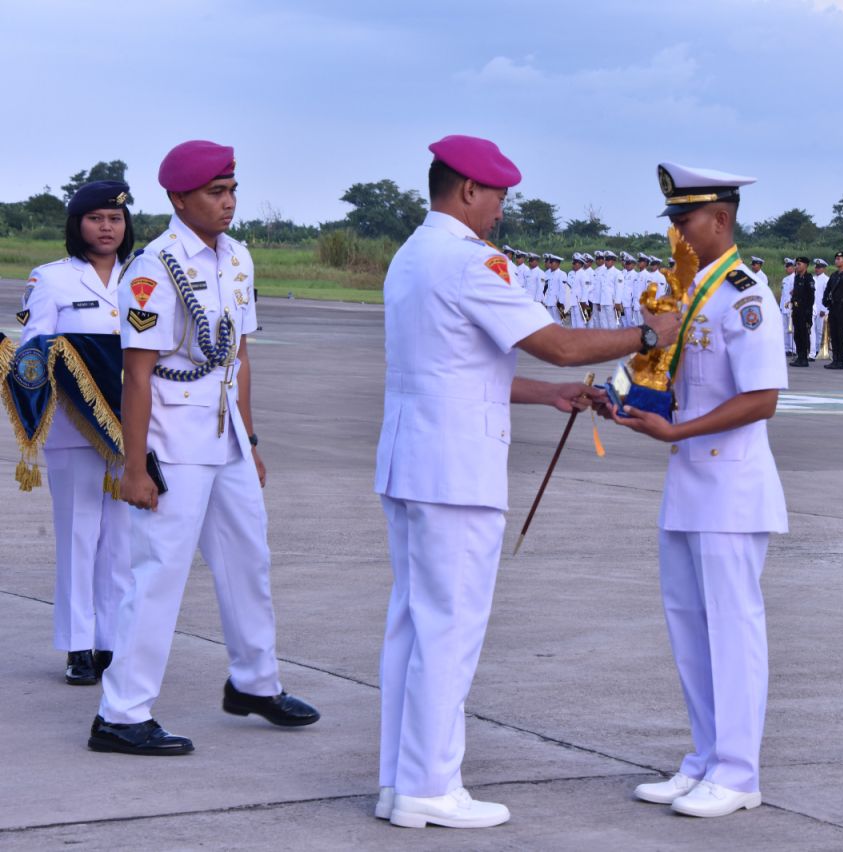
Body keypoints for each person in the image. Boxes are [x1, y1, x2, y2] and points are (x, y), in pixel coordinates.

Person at [372, 135, 679, 830]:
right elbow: (562, 342)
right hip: (456, 473)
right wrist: (649, 335)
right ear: (469, 191)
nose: (502, 212)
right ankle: (430, 786)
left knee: (414, 630)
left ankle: (401, 779)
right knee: (450, 631)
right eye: (499, 197)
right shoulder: (472, 261)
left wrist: (549, 396)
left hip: (412, 463)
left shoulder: (412, 255)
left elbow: (460, 368)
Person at [92, 140, 320, 757]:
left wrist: (250, 438)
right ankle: (121, 712)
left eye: (232, 191)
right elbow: (135, 376)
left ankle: (255, 683)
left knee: (250, 562)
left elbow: (239, 358)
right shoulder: (153, 269)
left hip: (226, 439)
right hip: (173, 438)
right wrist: (133, 466)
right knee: (158, 573)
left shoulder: (238, 257)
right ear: (178, 199)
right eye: (216, 193)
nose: (229, 203)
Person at [607, 160, 786, 819]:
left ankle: (738, 773)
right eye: (673, 224)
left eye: (684, 222)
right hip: (688, 483)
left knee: (733, 631)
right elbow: (668, 376)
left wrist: (675, 433)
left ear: (720, 220)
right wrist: (619, 400)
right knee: (690, 629)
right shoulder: (690, 293)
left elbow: (763, 399)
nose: (676, 234)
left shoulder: (745, 295)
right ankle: (705, 759)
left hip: (729, 489)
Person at [19, 180, 133, 686]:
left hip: (136, 429)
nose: (107, 228)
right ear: (77, 224)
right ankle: (78, 646)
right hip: (74, 427)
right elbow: (32, 352)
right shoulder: (51, 280)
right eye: (96, 218)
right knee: (77, 536)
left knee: (123, 543)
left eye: (116, 219)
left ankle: (114, 640)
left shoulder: (143, 277)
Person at [823, 251, 843, 370]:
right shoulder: (834, 275)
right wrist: (825, 299)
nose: (837, 260)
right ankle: (835, 359)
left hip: (842, 310)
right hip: (833, 308)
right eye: (836, 258)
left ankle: (840, 361)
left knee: (841, 335)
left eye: (840, 258)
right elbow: (828, 290)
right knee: (834, 335)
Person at [790, 257, 815, 366]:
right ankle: (799, 357)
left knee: (804, 335)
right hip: (796, 310)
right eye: (796, 264)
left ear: (805, 266)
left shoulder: (808, 279)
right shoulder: (797, 278)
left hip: (804, 311)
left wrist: (808, 312)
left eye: (799, 264)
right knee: (797, 335)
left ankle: (804, 358)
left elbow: (811, 297)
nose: (796, 266)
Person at [809, 259, 829, 360]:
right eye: (816, 267)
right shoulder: (812, 278)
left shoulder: (826, 279)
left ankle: (820, 350)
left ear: (824, 268)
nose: (817, 269)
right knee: (812, 330)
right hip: (813, 308)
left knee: (820, 330)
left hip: (821, 308)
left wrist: (824, 309)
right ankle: (814, 349)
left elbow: (827, 295)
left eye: (819, 267)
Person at [779, 258, 796, 356]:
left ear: (793, 267)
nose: (787, 268)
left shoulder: (795, 278)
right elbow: (783, 294)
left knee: (792, 329)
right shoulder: (784, 279)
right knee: (785, 329)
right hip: (784, 307)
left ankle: (793, 349)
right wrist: (781, 307)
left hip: (791, 307)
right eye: (786, 267)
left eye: (789, 266)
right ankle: (786, 348)